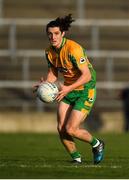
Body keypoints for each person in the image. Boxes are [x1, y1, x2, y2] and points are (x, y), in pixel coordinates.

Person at [34, 14, 104, 164]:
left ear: (63, 33)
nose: (53, 37)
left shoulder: (74, 49)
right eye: (50, 34)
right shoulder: (49, 52)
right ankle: (76, 159)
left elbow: (87, 76)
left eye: (56, 33)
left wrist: (67, 88)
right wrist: (45, 84)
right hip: (68, 88)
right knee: (61, 128)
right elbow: (53, 73)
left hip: (85, 89)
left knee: (71, 128)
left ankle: (97, 144)